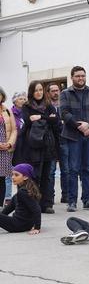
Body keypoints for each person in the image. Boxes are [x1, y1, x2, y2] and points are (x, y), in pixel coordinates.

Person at [60, 66, 89, 212]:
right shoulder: (65, 93)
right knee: (73, 169)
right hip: (73, 135)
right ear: (72, 77)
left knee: (88, 168)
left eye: (83, 76)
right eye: (78, 76)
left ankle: (87, 200)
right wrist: (80, 126)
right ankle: (72, 201)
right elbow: (64, 113)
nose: (81, 78)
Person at [21, 80, 58, 213]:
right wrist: (47, 117)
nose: (38, 92)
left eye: (41, 90)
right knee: (34, 175)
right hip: (33, 143)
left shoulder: (49, 105)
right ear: (32, 92)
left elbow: (55, 120)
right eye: (36, 90)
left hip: (48, 143)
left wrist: (40, 117)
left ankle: (46, 204)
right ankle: (34, 203)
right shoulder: (26, 106)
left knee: (47, 176)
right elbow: (27, 120)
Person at [0, 164, 41, 234]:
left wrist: (37, 228)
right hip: (24, 224)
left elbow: (37, 209)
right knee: (14, 198)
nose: (12, 177)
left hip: (18, 225)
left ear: (25, 177)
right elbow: (8, 208)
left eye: (16, 175)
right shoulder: (24, 191)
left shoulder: (23, 192)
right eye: (12, 174)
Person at [46, 83, 68, 205]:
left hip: (65, 139)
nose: (55, 92)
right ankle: (50, 196)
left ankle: (66, 195)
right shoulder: (46, 106)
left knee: (66, 169)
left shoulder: (64, 104)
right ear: (48, 93)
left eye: (57, 90)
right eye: (53, 90)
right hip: (51, 141)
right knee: (51, 171)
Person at [7, 91, 26, 204]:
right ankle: (8, 198)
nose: (23, 101)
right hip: (12, 146)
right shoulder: (9, 113)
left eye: (24, 99)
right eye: (20, 99)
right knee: (9, 173)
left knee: (21, 172)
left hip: (24, 147)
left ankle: (21, 196)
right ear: (14, 100)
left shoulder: (27, 113)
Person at [0, 87, 17, 204]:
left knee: (2, 178)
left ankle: (1, 205)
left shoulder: (7, 110)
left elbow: (14, 129)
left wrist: (10, 143)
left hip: (5, 148)